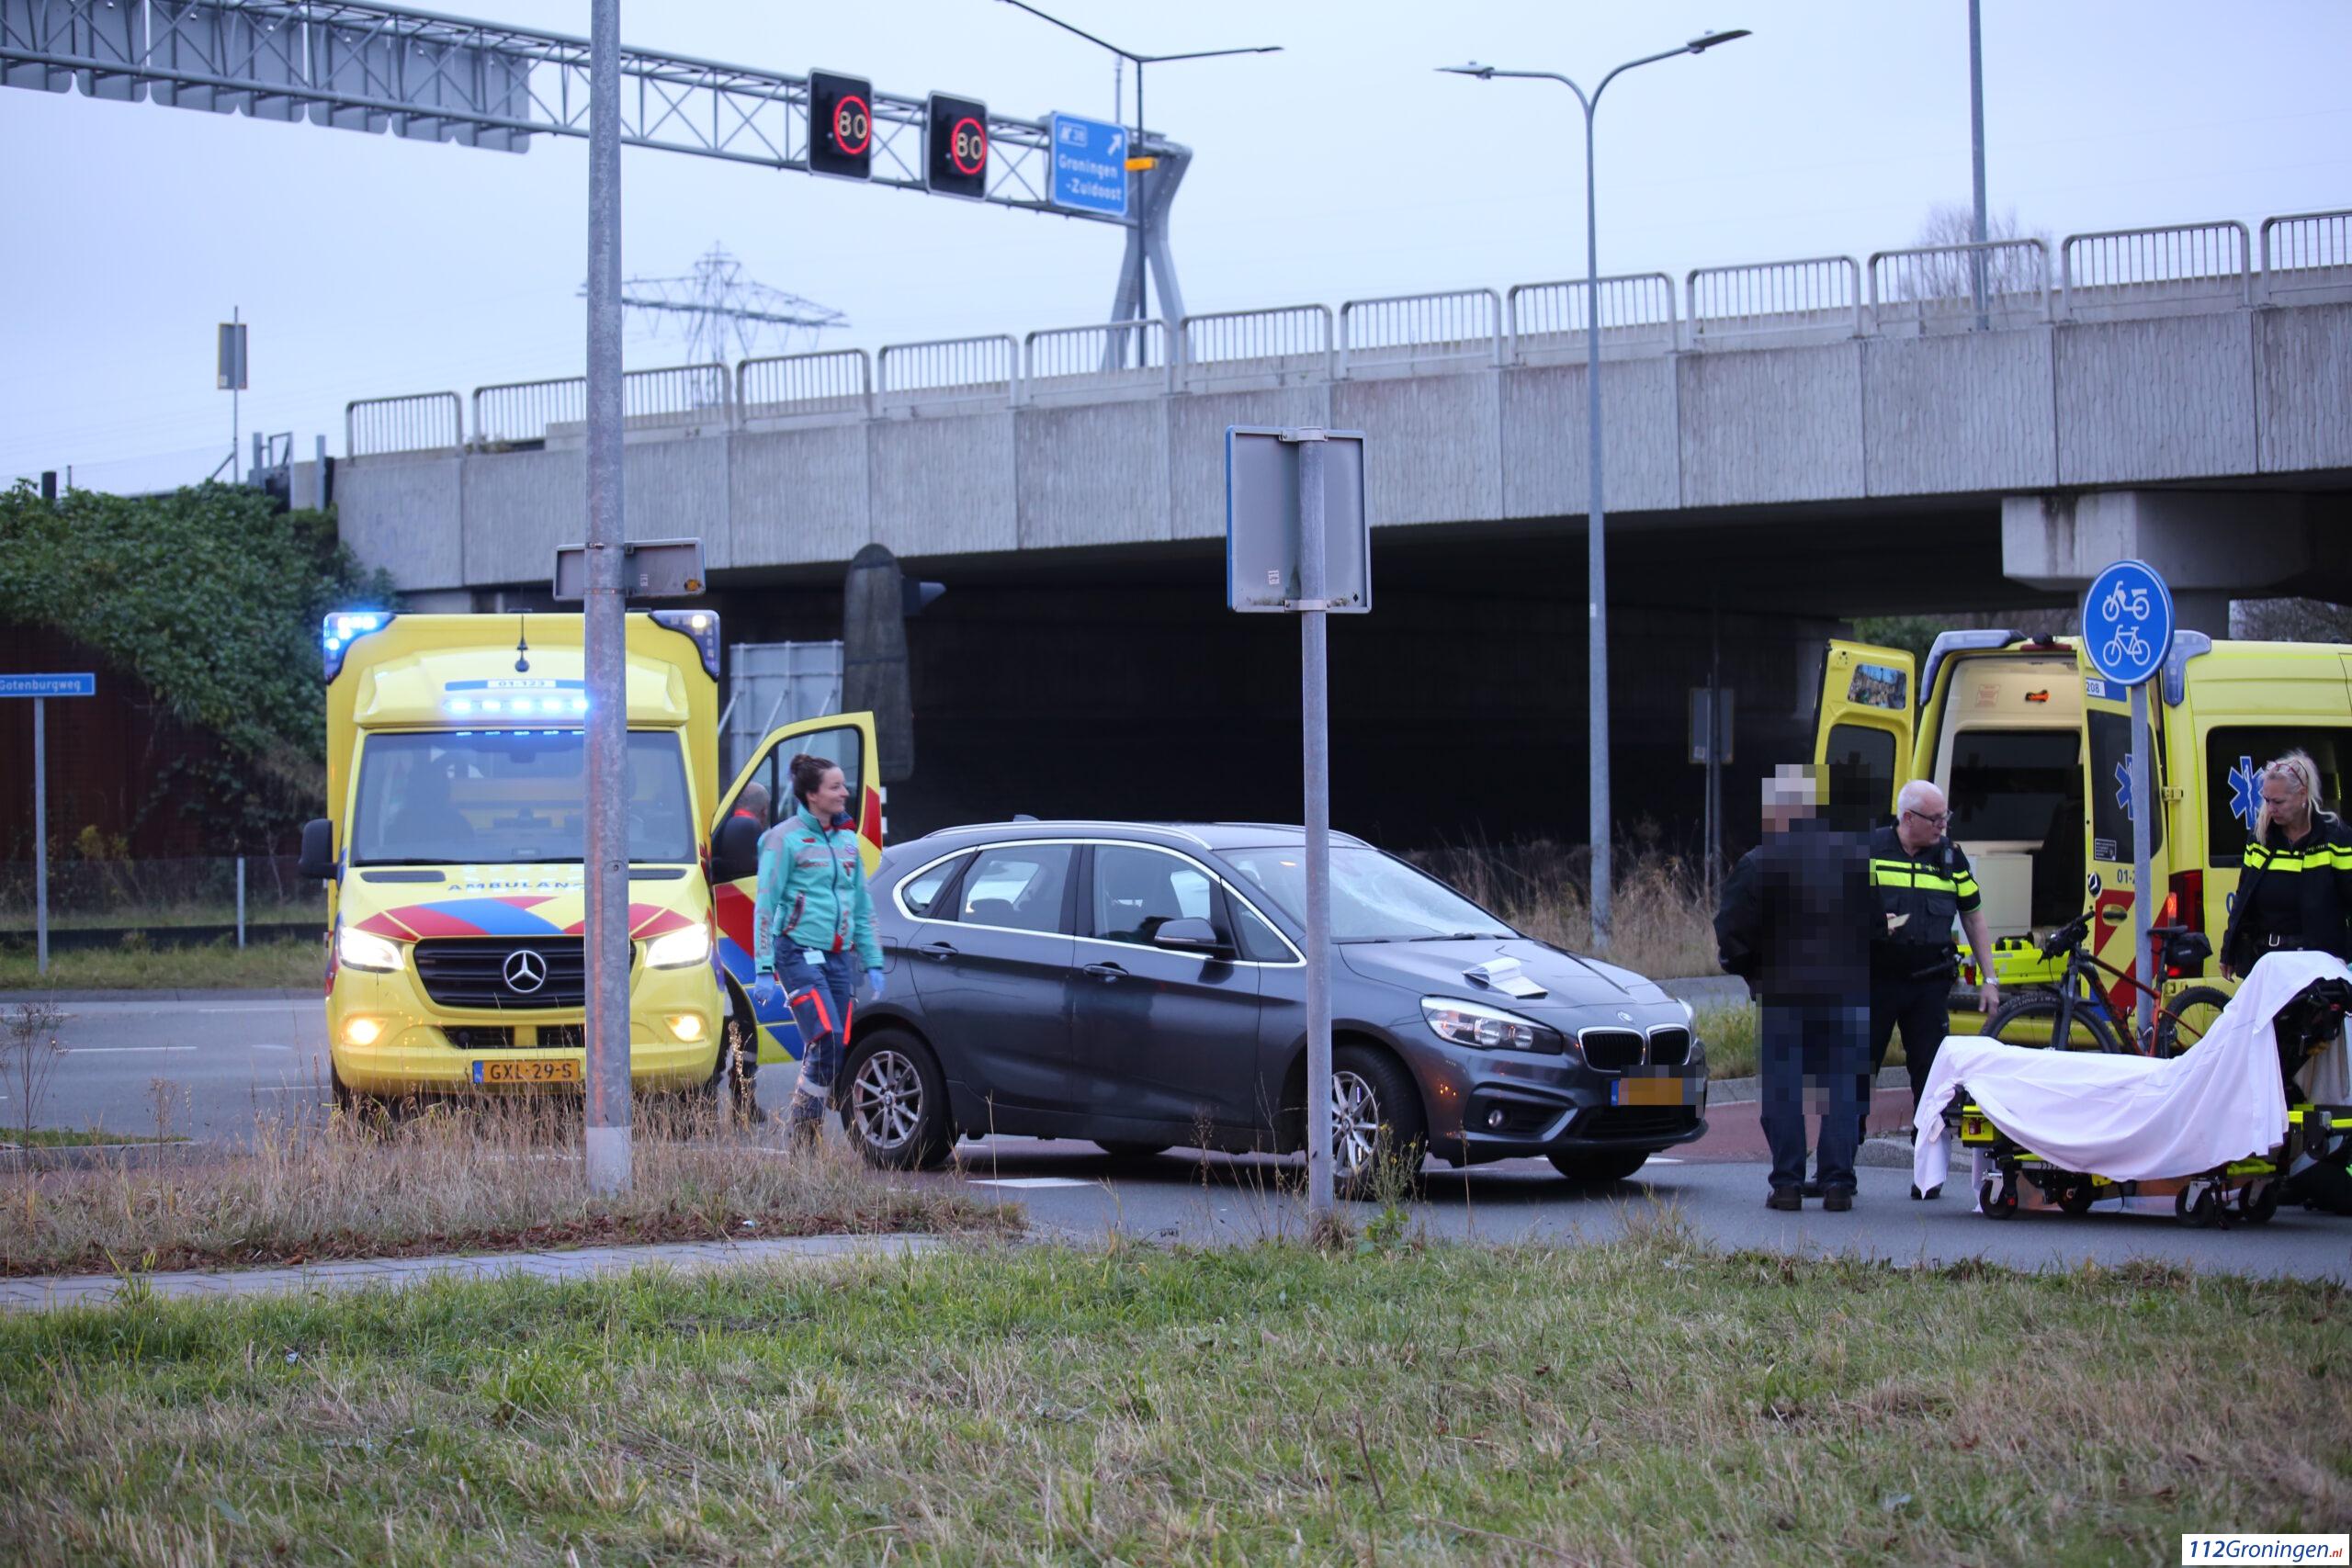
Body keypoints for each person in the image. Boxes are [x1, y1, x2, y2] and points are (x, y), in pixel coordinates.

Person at [1715, 765, 1877, 1212]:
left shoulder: (1757, 863)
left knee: (1783, 1089)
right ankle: (1837, 1183)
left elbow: (1730, 932)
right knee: (1843, 1089)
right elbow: (1877, 926)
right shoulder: (1854, 860)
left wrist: (1754, 973)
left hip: (1783, 992)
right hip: (1845, 990)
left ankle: (1787, 1183)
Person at [1865, 779, 2000, 1200]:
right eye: (1936, 818)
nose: (1943, 825)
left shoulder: (1951, 858)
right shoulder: (1868, 852)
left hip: (1927, 986)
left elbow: (1974, 917)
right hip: (1874, 984)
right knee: (1853, 1074)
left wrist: (1990, 978)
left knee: (1932, 1083)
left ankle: (1928, 1175)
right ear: (1907, 819)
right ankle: (1838, 1174)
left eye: (1946, 817)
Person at [752, 754, 886, 1144]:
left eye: (844, 785)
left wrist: (873, 960)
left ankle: (803, 1124)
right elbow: (765, 904)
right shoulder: (784, 838)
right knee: (825, 1038)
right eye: (835, 786)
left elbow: (862, 906)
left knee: (836, 1047)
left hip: (838, 959)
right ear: (812, 795)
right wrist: (764, 966)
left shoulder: (848, 842)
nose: (845, 792)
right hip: (796, 952)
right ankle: (804, 1135)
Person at [2222, 750, 2352, 977]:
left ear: (2302, 795)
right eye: (2267, 800)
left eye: (2278, 801)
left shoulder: (2335, 838)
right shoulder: (2261, 839)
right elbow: (2244, 898)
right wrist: (2229, 951)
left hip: (2321, 964)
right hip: (2269, 961)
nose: (2271, 808)